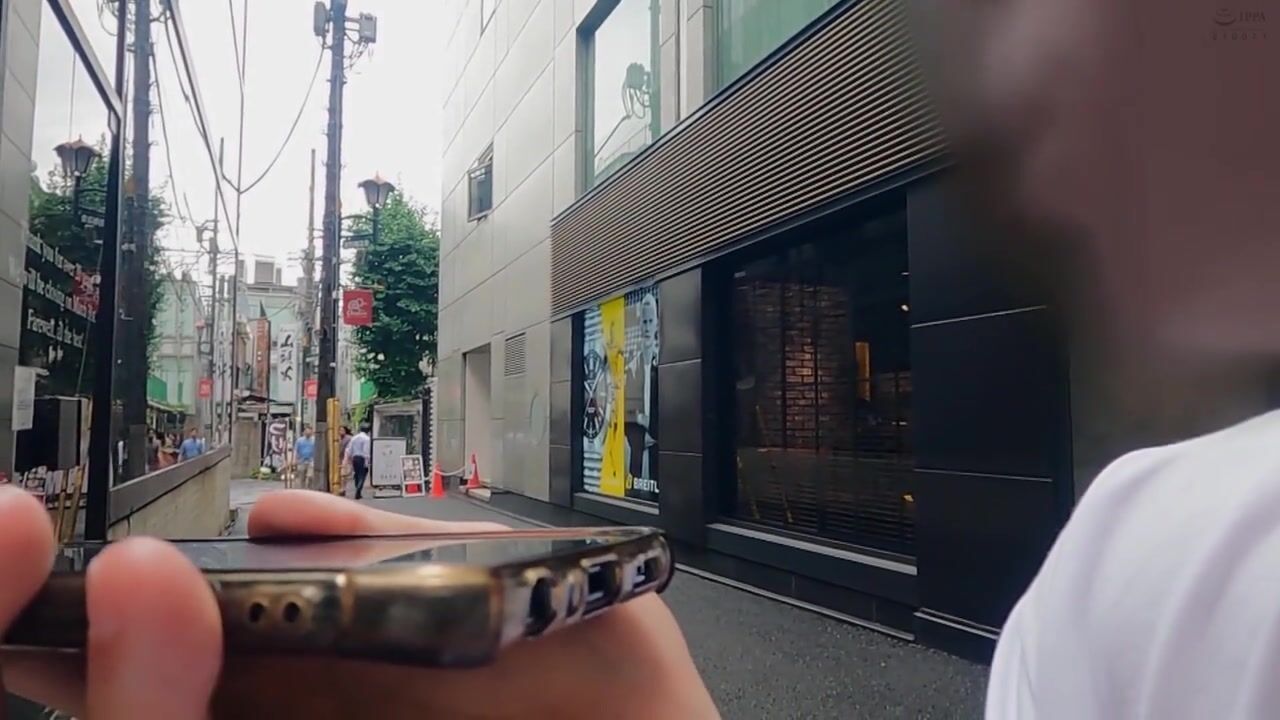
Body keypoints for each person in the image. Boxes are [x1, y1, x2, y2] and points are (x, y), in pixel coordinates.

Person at [344, 424, 372, 500]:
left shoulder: (354, 438)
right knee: (362, 475)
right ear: (368, 431)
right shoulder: (367, 439)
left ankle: (357, 488)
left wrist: (349, 458)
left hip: (355, 458)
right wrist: (367, 462)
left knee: (356, 474)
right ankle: (358, 490)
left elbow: (350, 449)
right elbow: (366, 451)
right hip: (362, 458)